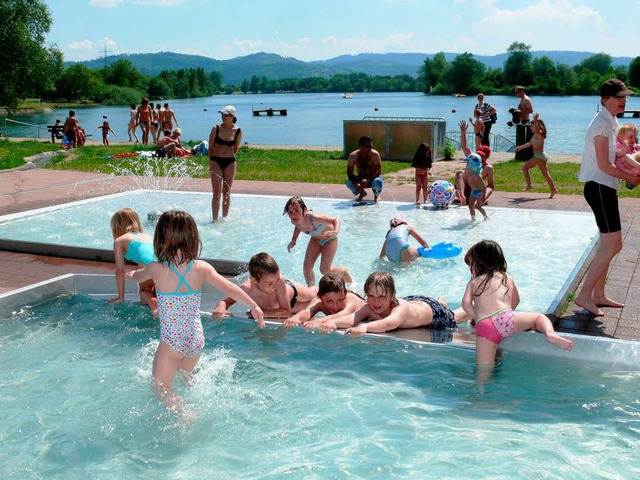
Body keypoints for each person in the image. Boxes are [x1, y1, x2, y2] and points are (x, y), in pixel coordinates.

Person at [126, 210, 264, 415]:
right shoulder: (201, 267)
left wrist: (132, 275)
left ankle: (185, 413)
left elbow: (138, 277)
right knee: (184, 374)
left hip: (172, 340)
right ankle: (192, 391)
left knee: (160, 388)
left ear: (160, 238)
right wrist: (254, 306)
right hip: (195, 338)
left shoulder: (156, 268)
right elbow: (230, 288)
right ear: (193, 237)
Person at [574, 79, 640, 317]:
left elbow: (617, 156)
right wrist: (631, 178)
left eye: (626, 97)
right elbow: (604, 165)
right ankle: (584, 296)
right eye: (619, 97)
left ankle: (598, 295)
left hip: (604, 188)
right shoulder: (602, 124)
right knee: (614, 244)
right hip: (599, 187)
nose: (624, 101)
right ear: (606, 99)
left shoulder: (611, 121)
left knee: (608, 244)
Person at [462, 239, 574, 368]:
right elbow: (515, 301)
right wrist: (505, 318)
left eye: (471, 264)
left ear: (480, 262)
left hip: (484, 327)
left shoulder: (473, 282)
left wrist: (479, 317)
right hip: (505, 319)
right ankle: (550, 334)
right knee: (538, 318)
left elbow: (466, 304)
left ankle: (480, 387)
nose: (470, 269)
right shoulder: (506, 277)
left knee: (484, 368)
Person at [317, 271, 468, 336]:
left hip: (432, 312)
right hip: (413, 301)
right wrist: (333, 323)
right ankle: (440, 301)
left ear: (392, 296)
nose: (376, 302)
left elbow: (387, 324)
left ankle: (446, 305)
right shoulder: (369, 306)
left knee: (457, 316)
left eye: (382, 297)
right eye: (371, 296)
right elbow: (352, 318)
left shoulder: (399, 310)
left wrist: (365, 326)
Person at [213, 252, 317, 319]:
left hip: (293, 293)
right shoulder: (247, 288)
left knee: (314, 294)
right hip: (281, 307)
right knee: (313, 307)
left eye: (277, 279)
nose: (275, 285)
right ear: (254, 280)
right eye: (269, 283)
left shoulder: (279, 282)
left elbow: (286, 312)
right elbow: (226, 302)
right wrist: (220, 308)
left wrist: (262, 313)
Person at [284, 196, 352, 287]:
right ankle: (311, 289)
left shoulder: (314, 218)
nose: (294, 215)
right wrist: (293, 240)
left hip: (330, 240)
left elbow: (335, 220)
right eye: (290, 212)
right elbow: (298, 226)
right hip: (315, 240)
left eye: (297, 211)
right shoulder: (295, 220)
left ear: (304, 210)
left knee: (324, 270)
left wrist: (335, 231)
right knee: (306, 267)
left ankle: (343, 271)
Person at [108, 208, 157, 315]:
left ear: (116, 227)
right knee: (155, 286)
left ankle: (151, 301)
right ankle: (158, 297)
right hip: (162, 266)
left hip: (148, 267)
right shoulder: (148, 236)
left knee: (144, 291)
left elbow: (120, 270)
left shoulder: (119, 241)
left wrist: (121, 297)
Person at [283, 272, 365, 329]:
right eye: (329, 302)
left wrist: (320, 320)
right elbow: (308, 311)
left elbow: (343, 314)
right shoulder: (319, 301)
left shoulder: (350, 302)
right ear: (320, 297)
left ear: (345, 295)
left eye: (340, 300)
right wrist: (295, 318)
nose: (335, 306)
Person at [208, 105, 242, 221]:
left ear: (232, 116)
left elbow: (235, 148)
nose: (223, 117)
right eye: (222, 114)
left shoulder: (238, 131)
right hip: (215, 161)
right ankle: (214, 219)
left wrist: (229, 156)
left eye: (226, 115)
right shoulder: (216, 128)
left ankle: (225, 218)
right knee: (217, 192)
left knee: (227, 191)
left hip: (230, 162)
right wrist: (211, 162)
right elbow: (210, 147)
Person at [515, 113, 558, 198]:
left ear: (536, 126)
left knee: (525, 168)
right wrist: (519, 147)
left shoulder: (539, 133)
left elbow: (537, 129)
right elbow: (528, 144)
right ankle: (553, 190)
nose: (530, 127)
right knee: (546, 174)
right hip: (541, 157)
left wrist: (535, 119)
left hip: (539, 157)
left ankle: (529, 185)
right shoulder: (535, 135)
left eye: (531, 126)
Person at [454, 120, 494, 206]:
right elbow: (464, 146)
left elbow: (491, 186)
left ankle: (480, 201)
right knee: (459, 173)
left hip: (476, 191)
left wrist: (484, 194)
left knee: (489, 189)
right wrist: (463, 132)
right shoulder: (472, 157)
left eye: (482, 155)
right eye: (479, 154)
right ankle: (462, 196)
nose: (480, 156)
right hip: (464, 188)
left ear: (487, 156)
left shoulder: (488, 168)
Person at [346, 135, 383, 203]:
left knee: (377, 182)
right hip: (361, 178)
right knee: (349, 183)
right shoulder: (353, 156)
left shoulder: (375, 154)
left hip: (373, 178)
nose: (370, 148)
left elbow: (378, 170)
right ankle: (362, 193)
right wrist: (356, 183)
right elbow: (349, 172)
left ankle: (376, 195)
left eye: (371, 146)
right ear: (361, 147)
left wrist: (368, 179)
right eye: (367, 146)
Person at [614, 123, 640, 190]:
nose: (633, 140)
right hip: (623, 164)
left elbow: (637, 146)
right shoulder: (619, 144)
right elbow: (618, 154)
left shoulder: (633, 145)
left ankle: (631, 183)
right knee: (627, 156)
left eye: (634, 138)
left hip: (631, 166)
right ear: (620, 136)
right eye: (630, 137)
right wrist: (625, 148)